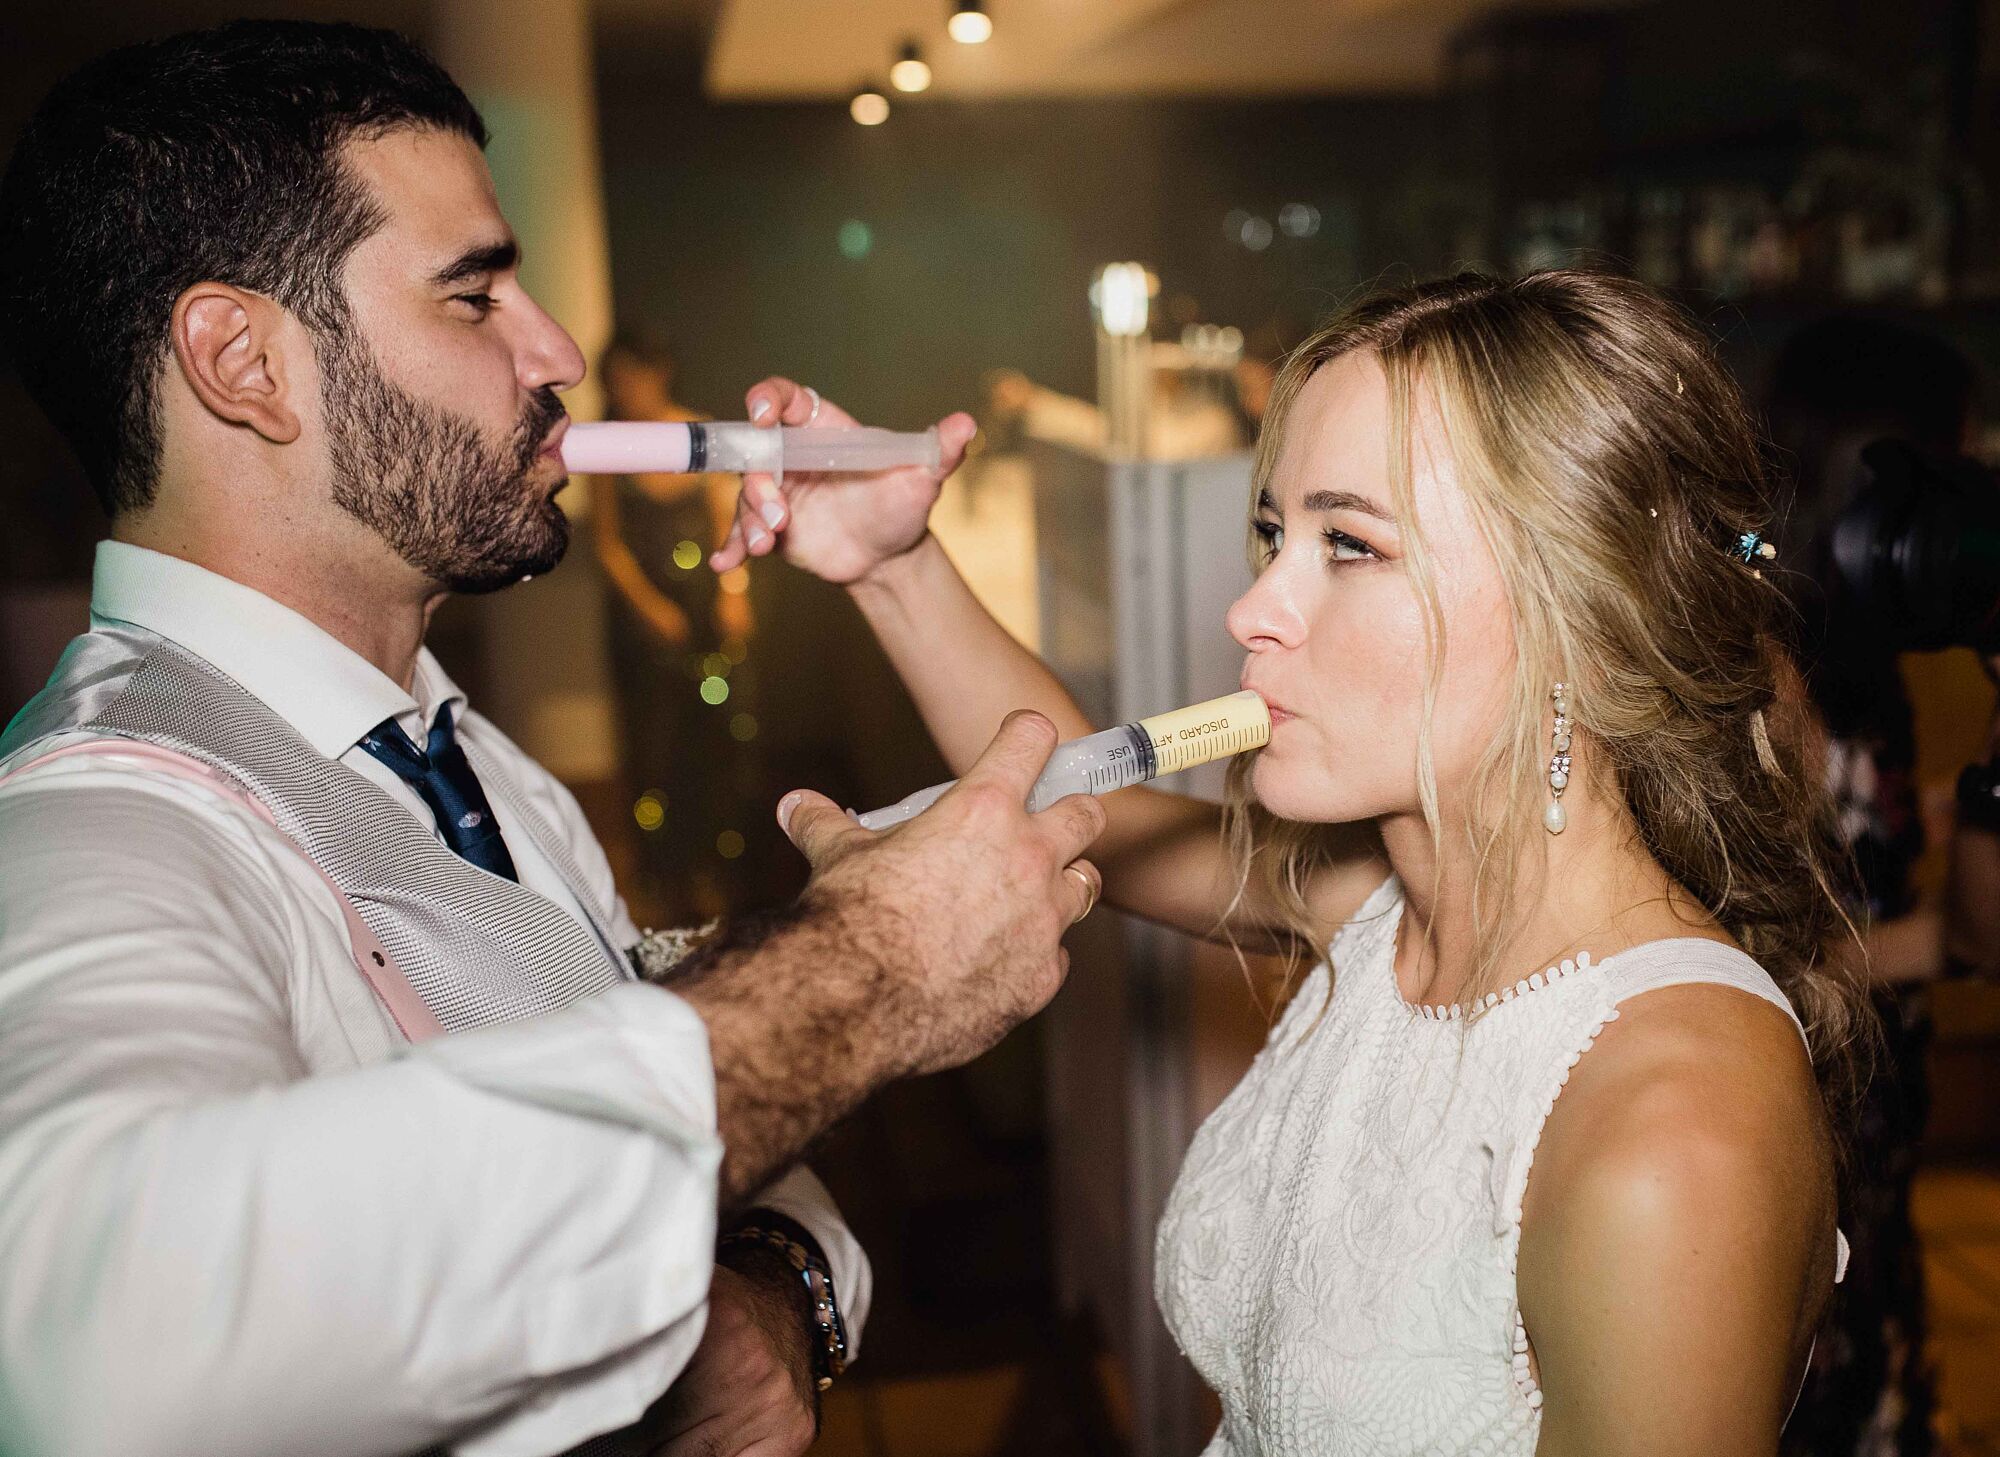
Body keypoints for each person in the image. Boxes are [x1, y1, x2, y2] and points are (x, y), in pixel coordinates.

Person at [0, 21, 1102, 1457]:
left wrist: (776, 1297)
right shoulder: (93, 822)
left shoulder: (469, 756)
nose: (559, 349)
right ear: (243, 362)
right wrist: (868, 974)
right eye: (475, 297)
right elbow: (92, 1357)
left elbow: (664, 1118)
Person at [718, 271, 1872, 1455]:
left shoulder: (1674, 1124)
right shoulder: (1378, 907)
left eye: (1350, 544)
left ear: (1580, 612)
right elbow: (1082, 799)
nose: (1254, 606)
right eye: (1274, 532)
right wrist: (890, 563)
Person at [1765, 315, 1976, 1456]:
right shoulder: (1761, 663)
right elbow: (1741, 951)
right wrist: (1941, 938)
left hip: (1873, 1119)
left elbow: (1849, 818)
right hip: (1808, 1114)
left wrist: (1933, 803)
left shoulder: (1852, 636)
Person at [592, 329, 767, 922]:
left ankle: (721, 870)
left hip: (703, 612)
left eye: (633, 376)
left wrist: (733, 591)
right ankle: (661, 879)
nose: (625, 390)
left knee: (717, 738)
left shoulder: (698, 432)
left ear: (658, 371)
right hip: (646, 624)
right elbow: (609, 544)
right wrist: (648, 608)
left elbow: (729, 521)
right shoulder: (606, 447)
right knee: (653, 750)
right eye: (614, 381)